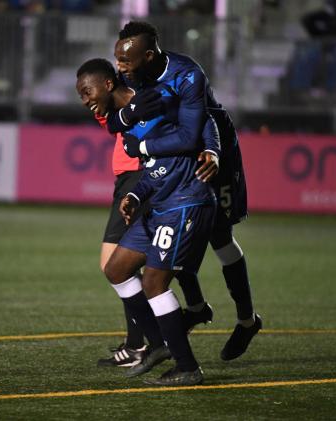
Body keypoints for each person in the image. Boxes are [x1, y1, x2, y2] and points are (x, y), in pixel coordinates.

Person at [106, 21, 262, 363]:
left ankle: (247, 320)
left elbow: (198, 129)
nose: (121, 69)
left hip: (211, 150)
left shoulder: (188, 75)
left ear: (147, 55)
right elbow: (123, 119)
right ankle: (194, 307)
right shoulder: (135, 73)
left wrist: (210, 151)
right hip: (174, 151)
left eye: (125, 61)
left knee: (219, 234)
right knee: (174, 225)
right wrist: (130, 119)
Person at [75, 58, 220, 369]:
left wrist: (213, 148)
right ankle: (164, 332)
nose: (85, 101)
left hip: (163, 184)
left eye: (87, 92)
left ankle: (151, 344)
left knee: (146, 272)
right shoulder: (120, 109)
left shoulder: (151, 90)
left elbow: (197, 121)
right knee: (124, 268)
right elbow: (120, 121)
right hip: (144, 181)